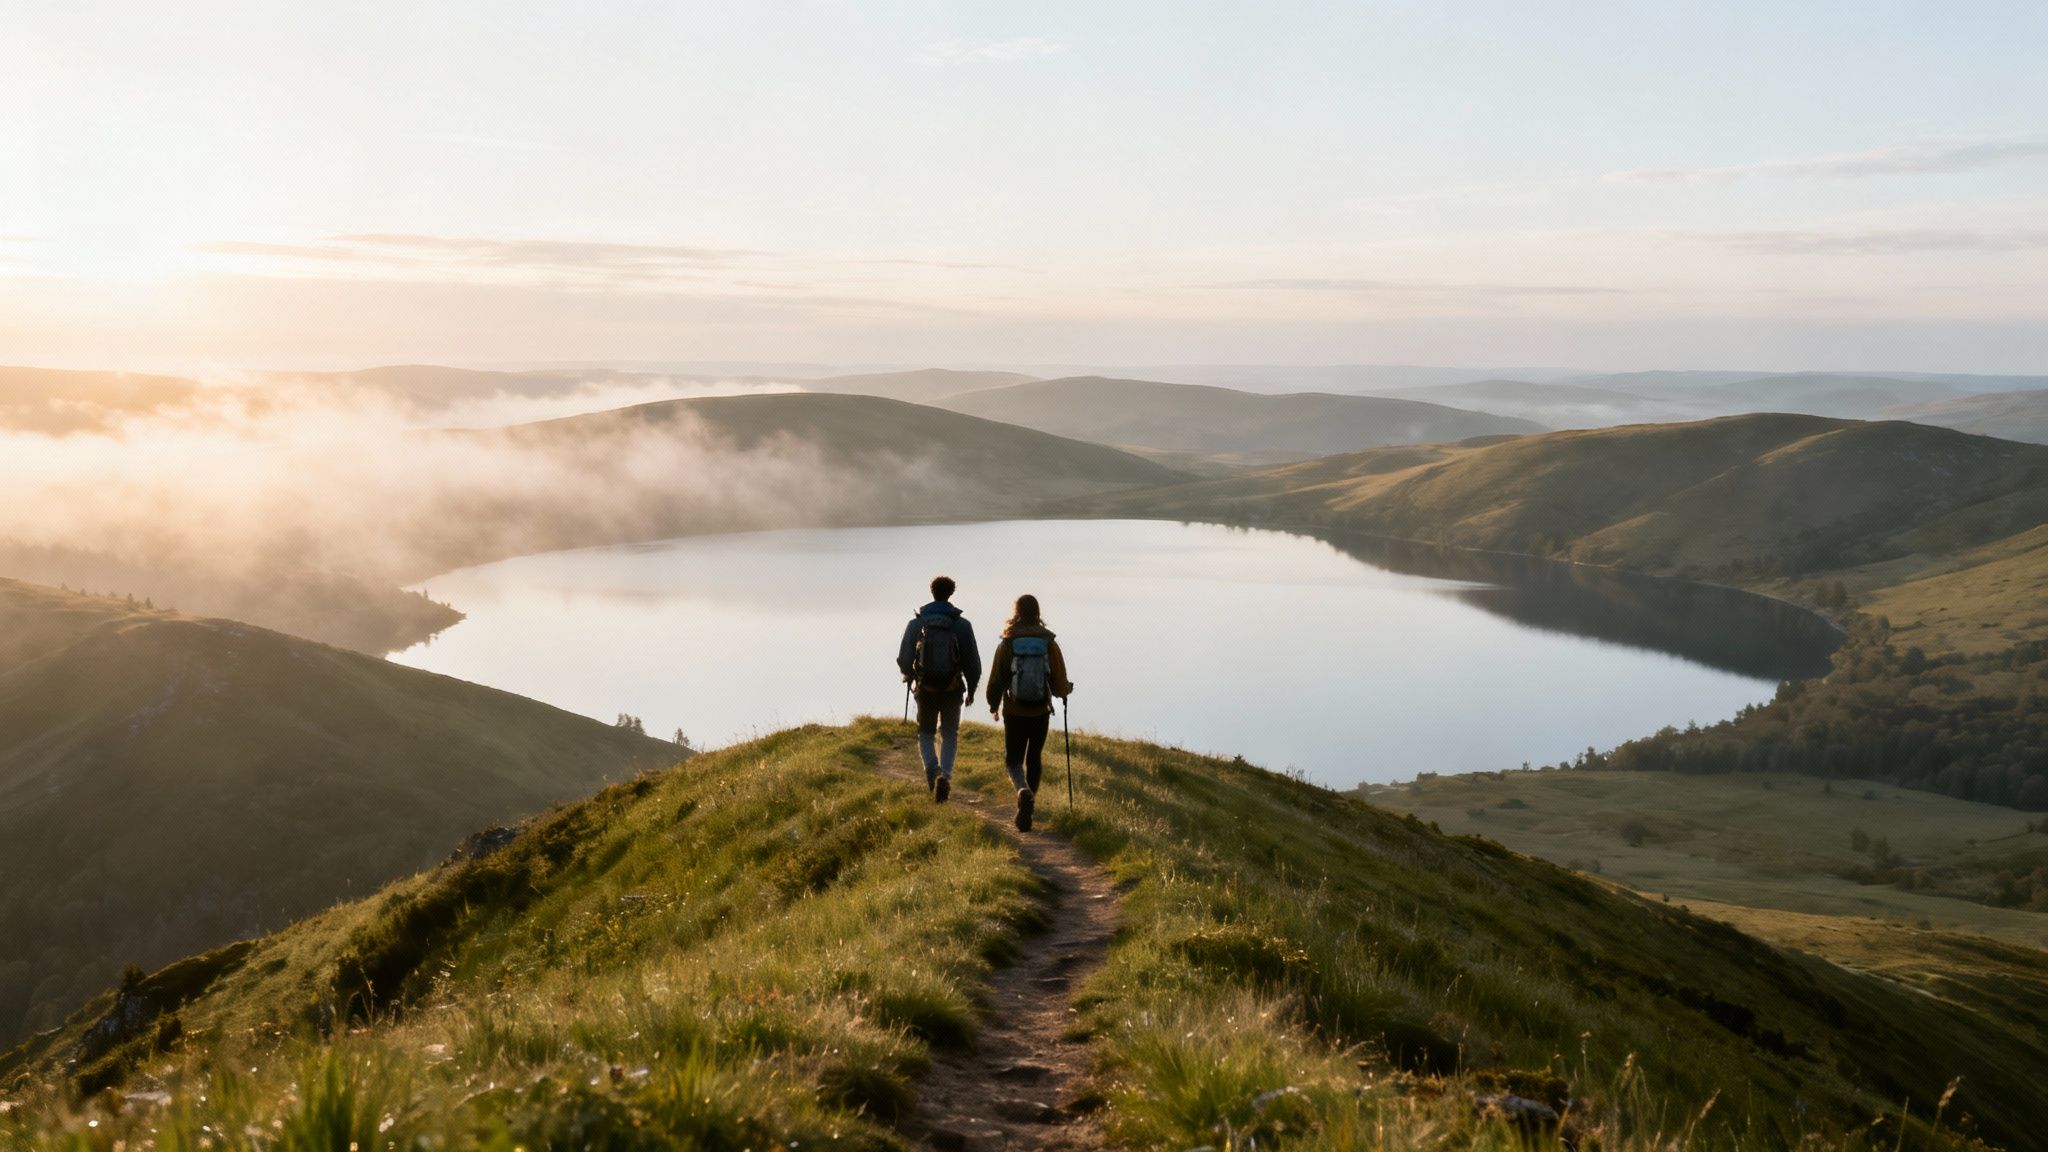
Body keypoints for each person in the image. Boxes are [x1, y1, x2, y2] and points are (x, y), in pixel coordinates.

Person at [985, 594, 1073, 831]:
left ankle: (1022, 790)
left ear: (1017, 612)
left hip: (1014, 710)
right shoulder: (1048, 642)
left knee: (1013, 760)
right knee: (1034, 758)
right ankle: (1028, 809)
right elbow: (1058, 680)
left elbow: (997, 678)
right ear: (1037, 612)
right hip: (1040, 711)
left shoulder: (1009, 641)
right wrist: (1065, 691)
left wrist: (993, 703)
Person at [897, 575, 980, 802]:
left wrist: (909, 676)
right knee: (950, 734)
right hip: (953, 687)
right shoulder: (962, 625)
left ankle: (932, 771)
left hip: (926, 688)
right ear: (951, 593)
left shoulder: (917, 623)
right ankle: (946, 774)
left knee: (926, 732)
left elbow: (904, 658)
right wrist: (971, 688)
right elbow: (973, 662)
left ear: (931, 592)